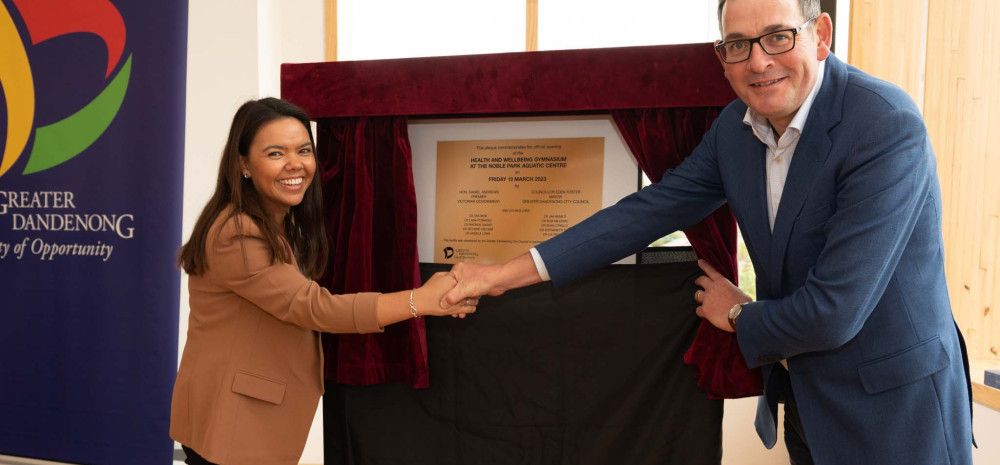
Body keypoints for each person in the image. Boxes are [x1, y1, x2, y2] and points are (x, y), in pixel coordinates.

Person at [442, 1, 974, 464]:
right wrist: (501, 277)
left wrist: (739, 314)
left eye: (778, 36)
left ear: (822, 35)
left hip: (896, 411)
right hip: (807, 403)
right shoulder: (734, 131)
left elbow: (834, 313)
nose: (758, 61)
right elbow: (643, 214)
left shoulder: (883, 123)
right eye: (737, 45)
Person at [171, 98, 476, 465]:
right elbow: (315, 307)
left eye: (303, 150)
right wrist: (420, 301)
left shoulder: (274, 221)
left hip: (244, 417)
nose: (294, 164)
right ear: (243, 165)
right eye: (275, 153)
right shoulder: (238, 233)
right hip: (234, 424)